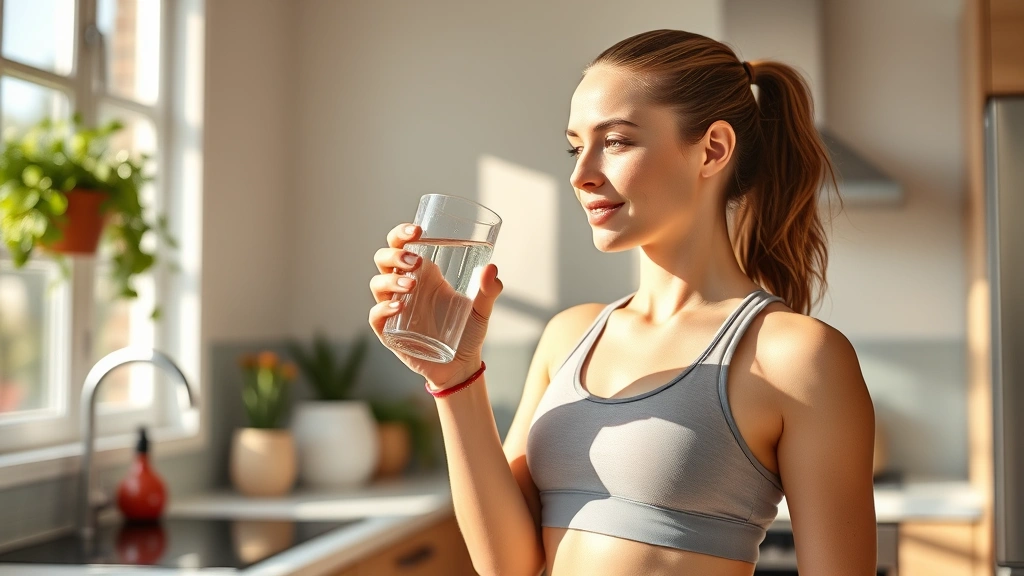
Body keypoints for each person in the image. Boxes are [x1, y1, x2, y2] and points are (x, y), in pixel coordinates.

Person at [368, 29, 876, 576]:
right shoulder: (570, 334)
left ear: (713, 150)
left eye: (615, 142)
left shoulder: (793, 356)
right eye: (575, 145)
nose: (580, 174)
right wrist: (454, 375)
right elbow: (508, 565)